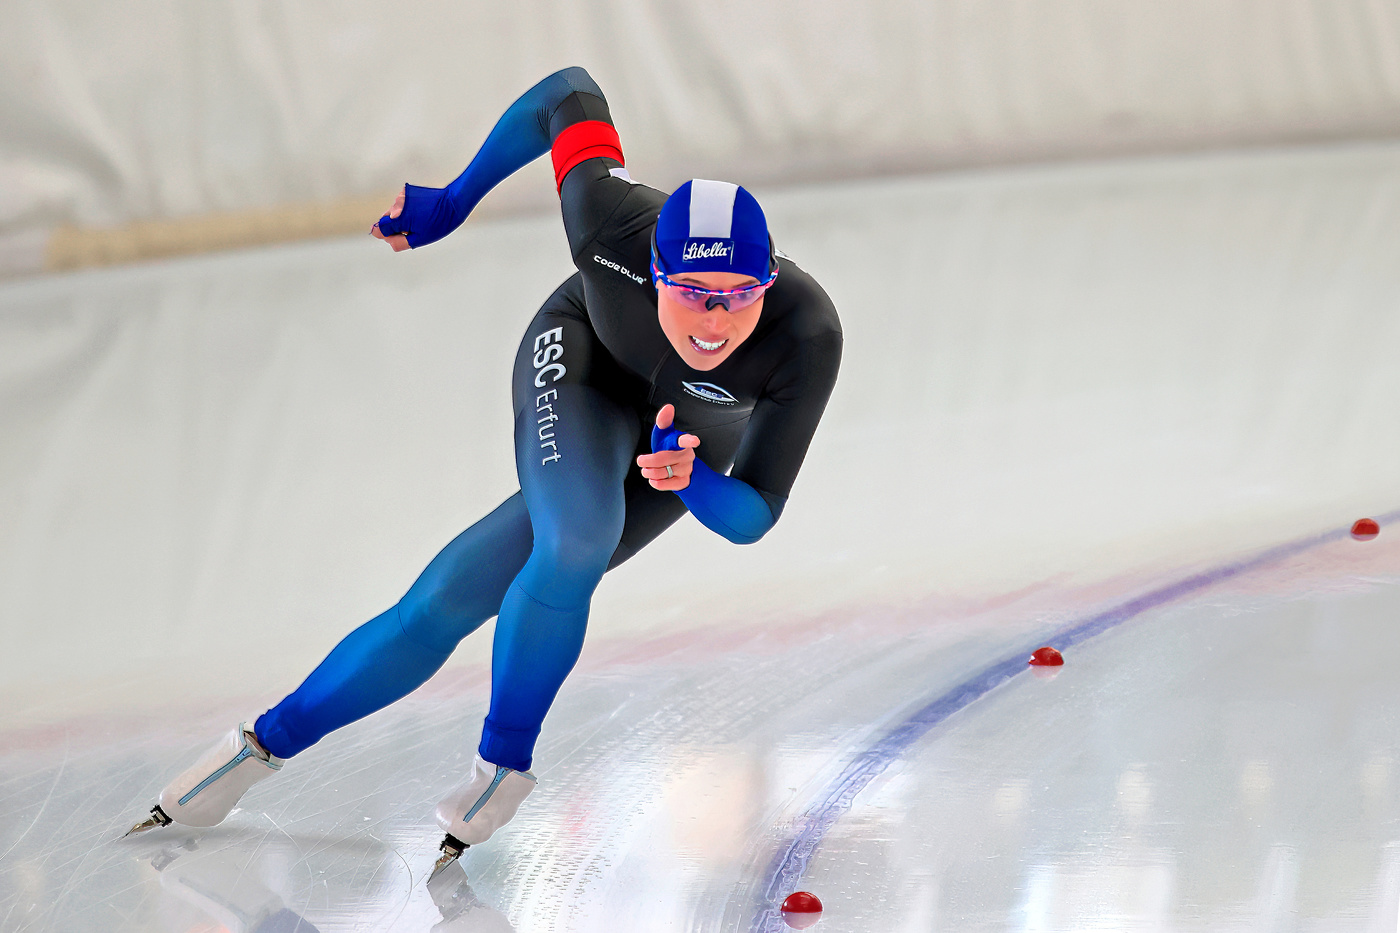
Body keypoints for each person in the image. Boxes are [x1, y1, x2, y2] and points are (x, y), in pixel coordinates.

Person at [126, 67, 843, 877]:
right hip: (583, 368)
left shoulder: (805, 334)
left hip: (684, 449)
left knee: (454, 594)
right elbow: (566, 92)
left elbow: (754, 512)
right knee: (575, 540)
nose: (714, 323)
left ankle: (258, 748)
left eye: (737, 296)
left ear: (769, 284)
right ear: (653, 268)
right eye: (691, 292)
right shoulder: (610, 222)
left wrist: (693, 480)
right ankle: (501, 762)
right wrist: (456, 199)